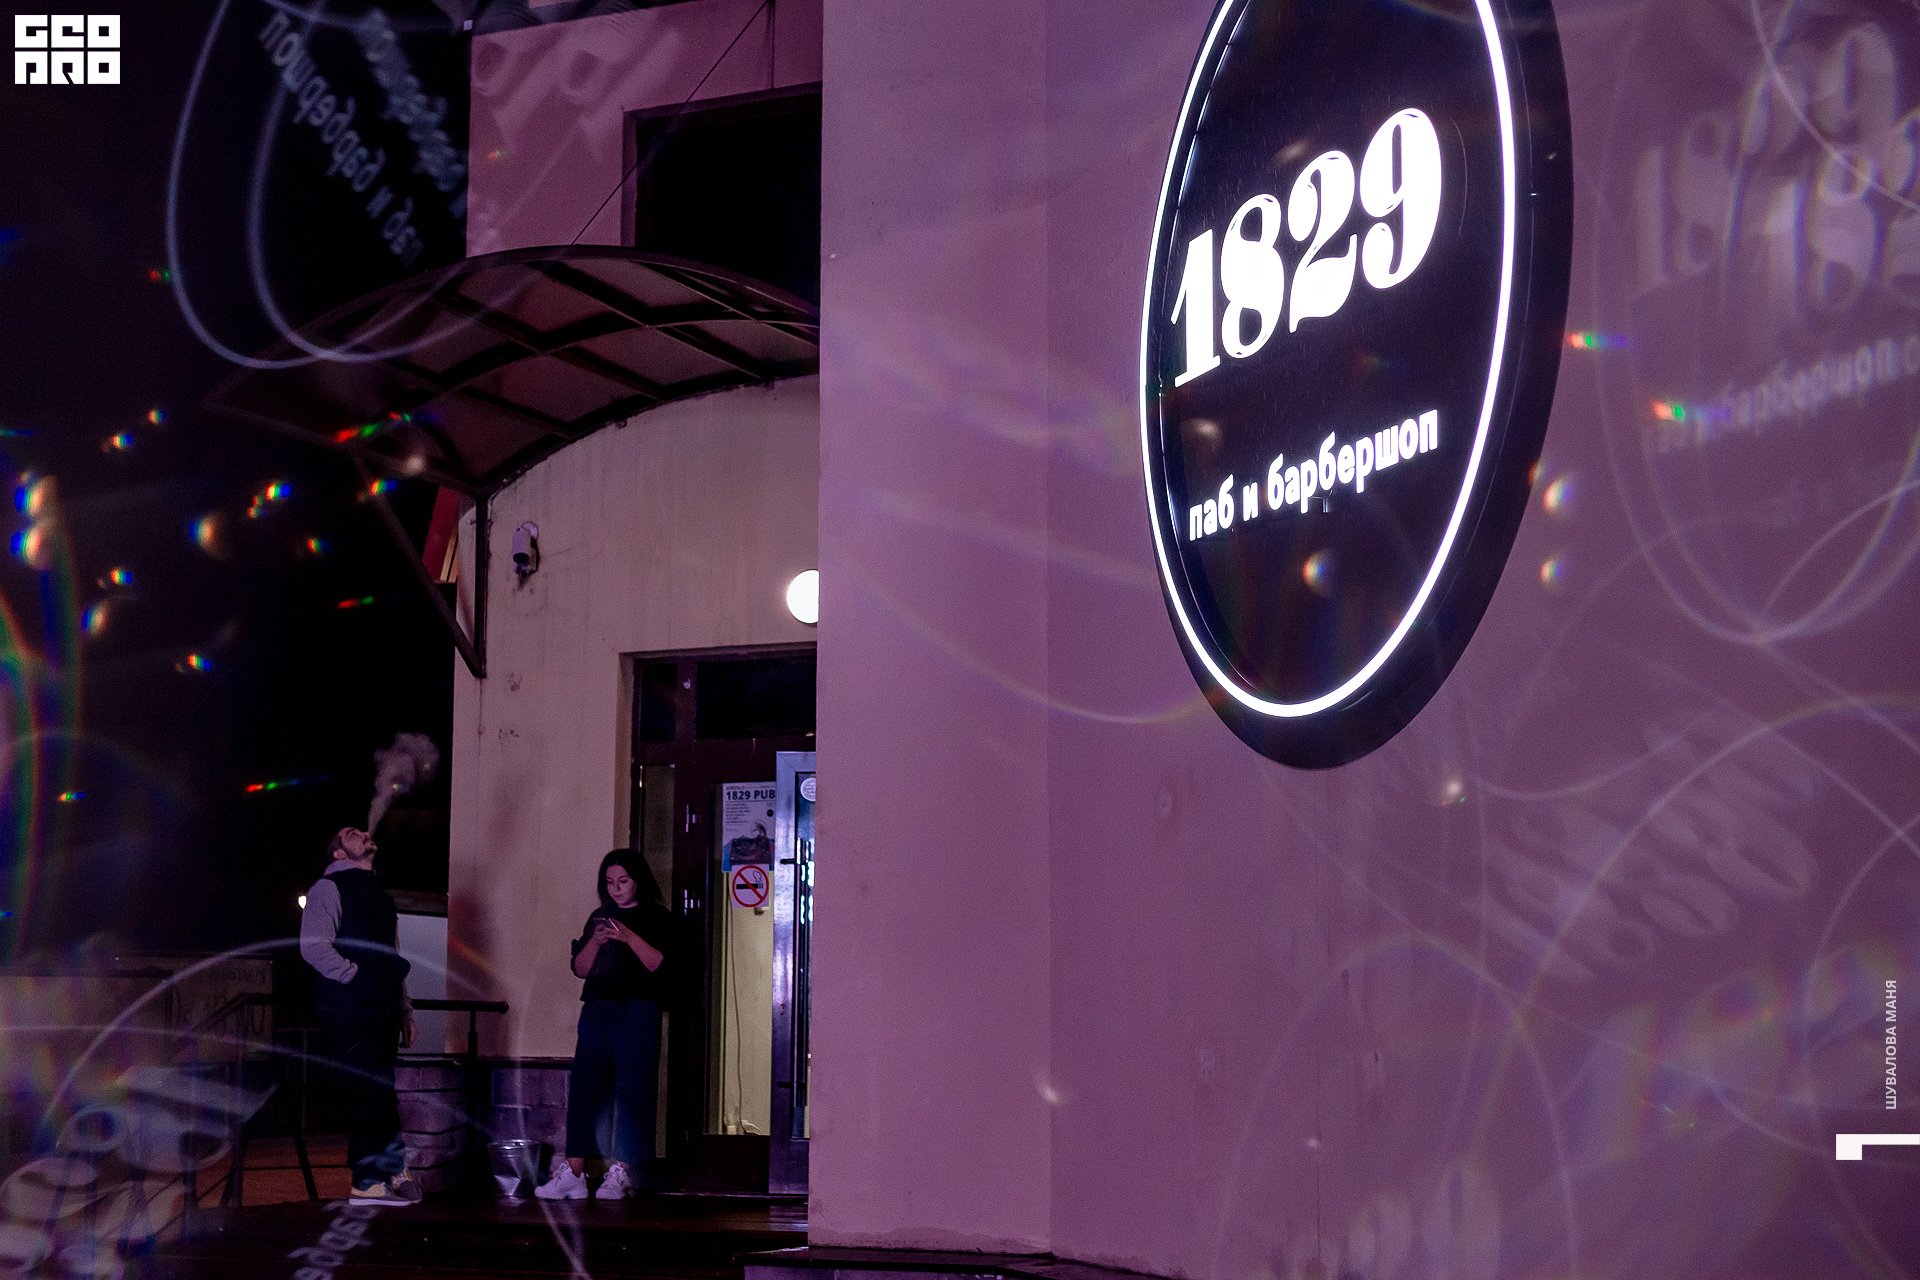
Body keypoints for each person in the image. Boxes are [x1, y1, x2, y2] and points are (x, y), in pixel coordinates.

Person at [536, 850, 670, 1201]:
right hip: (598, 1007)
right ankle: (574, 1172)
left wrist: (628, 937)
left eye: (623, 881)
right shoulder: (599, 917)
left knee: (633, 1089)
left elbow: (657, 963)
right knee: (585, 1086)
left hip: (638, 1007)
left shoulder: (657, 917)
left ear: (638, 880)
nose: (616, 888)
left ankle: (622, 1171)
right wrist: (595, 941)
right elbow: (580, 969)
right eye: (609, 882)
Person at [299, 826, 421, 1206]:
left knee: (382, 1090)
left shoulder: (382, 899)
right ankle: (367, 1182)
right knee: (369, 1090)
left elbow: (392, 958)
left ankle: (391, 1170)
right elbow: (312, 947)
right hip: (349, 1009)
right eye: (352, 833)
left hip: (382, 1008)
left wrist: (404, 1009)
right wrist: (353, 976)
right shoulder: (327, 889)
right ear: (339, 853)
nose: (364, 833)